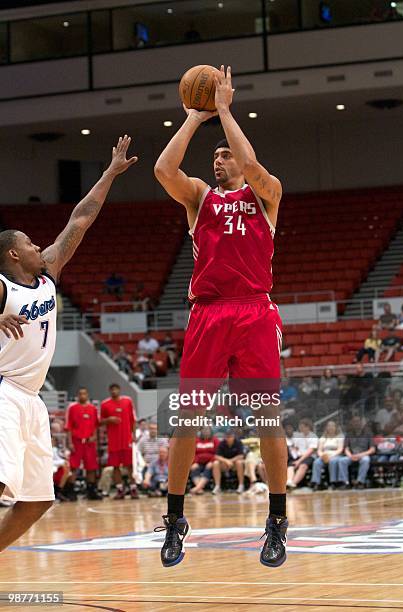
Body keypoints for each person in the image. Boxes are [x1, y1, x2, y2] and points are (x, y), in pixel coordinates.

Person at [154, 65, 285, 568]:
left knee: (266, 419)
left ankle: (276, 520)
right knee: (187, 421)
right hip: (207, 313)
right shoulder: (200, 199)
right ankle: (174, 517)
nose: (219, 157)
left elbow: (252, 164)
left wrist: (226, 111)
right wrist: (193, 118)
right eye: (215, 155)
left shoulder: (265, 193)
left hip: (253, 311)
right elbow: (165, 171)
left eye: (224, 152)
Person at [0, 135, 137, 552]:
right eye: (28, 243)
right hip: (3, 391)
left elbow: (80, 219)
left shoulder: (47, 274)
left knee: (38, 499)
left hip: (31, 398)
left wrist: (110, 173)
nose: (38, 245)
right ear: (12, 255)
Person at [100, 383, 139, 499]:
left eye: (116, 389)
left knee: (130, 465)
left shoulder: (128, 401)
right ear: (109, 391)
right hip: (113, 441)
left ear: (119, 390)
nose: (114, 391)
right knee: (115, 467)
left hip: (127, 439)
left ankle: (133, 489)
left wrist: (134, 435)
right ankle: (120, 489)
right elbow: (100, 421)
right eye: (112, 390)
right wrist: (109, 419)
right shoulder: (105, 404)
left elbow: (133, 419)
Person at [65, 387, 102, 500]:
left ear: (87, 395)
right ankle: (71, 491)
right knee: (74, 467)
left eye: (84, 394)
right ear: (77, 395)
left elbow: (96, 425)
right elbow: (69, 427)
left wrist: (95, 436)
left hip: (89, 442)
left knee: (91, 467)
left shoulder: (93, 408)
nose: (82, 396)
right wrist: (70, 442)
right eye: (80, 394)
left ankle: (91, 490)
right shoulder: (72, 408)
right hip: (76, 441)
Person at [338, 416, 375, 489]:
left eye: (358, 421)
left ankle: (360, 482)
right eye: (354, 422)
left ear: (361, 423)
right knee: (342, 461)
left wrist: (360, 455)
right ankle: (346, 483)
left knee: (365, 460)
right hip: (352, 455)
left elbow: (372, 449)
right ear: (352, 424)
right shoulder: (348, 434)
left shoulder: (368, 434)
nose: (356, 423)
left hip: (363, 455)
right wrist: (350, 456)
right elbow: (346, 448)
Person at [310, 420, 344, 490]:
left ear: (335, 427)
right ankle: (316, 482)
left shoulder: (340, 436)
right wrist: (322, 455)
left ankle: (333, 482)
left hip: (336, 455)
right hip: (324, 455)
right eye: (329, 426)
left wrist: (331, 456)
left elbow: (340, 449)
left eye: (332, 426)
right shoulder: (322, 438)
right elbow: (319, 450)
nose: (330, 427)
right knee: (316, 462)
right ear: (326, 428)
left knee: (333, 461)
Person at [286, 419, 318, 489]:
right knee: (290, 466)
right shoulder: (298, 435)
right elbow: (294, 446)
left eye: (302, 426)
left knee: (303, 466)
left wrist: (299, 461)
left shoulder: (313, 436)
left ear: (308, 427)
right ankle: (289, 481)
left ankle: (293, 483)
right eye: (300, 426)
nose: (300, 428)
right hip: (298, 456)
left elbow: (310, 451)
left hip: (309, 457)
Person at [212, 430, 245, 495]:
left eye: (230, 436)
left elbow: (241, 456)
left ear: (233, 437)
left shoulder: (238, 442)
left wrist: (231, 461)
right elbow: (216, 456)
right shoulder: (222, 443)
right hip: (225, 464)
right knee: (216, 463)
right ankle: (217, 486)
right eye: (227, 437)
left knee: (239, 463)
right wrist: (226, 461)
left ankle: (241, 485)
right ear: (225, 437)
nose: (229, 438)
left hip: (235, 464)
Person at [189, 427, 219, 495]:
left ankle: (197, 488)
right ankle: (199, 489)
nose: (206, 432)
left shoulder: (215, 440)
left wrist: (212, 461)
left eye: (207, 430)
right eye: (204, 430)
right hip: (198, 463)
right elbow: (192, 453)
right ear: (201, 432)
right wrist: (194, 462)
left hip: (210, 463)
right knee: (194, 468)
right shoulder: (196, 440)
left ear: (210, 431)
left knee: (208, 469)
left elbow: (218, 453)